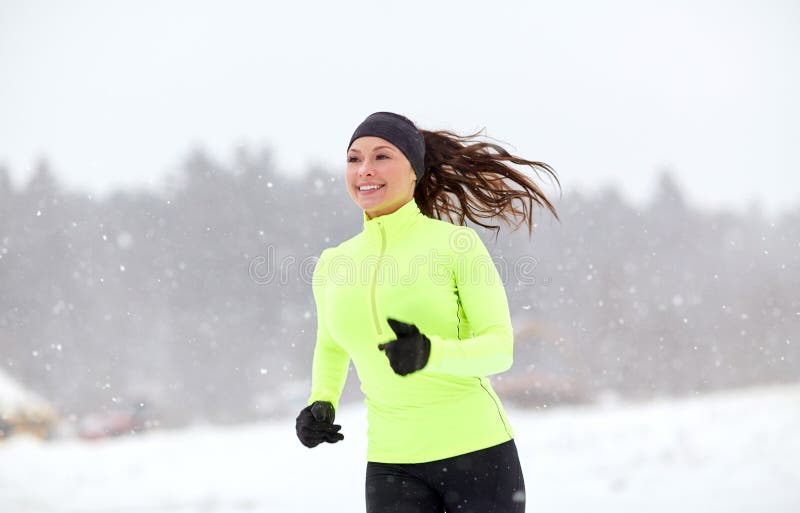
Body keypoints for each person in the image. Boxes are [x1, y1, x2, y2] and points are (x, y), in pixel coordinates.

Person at [295, 111, 560, 513]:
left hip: (477, 455)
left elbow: (499, 348)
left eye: (382, 156)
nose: (365, 169)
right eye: (354, 159)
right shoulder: (334, 263)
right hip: (391, 464)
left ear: (414, 171)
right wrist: (321, 402)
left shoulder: (456, 245)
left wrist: (430, 353)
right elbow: (331, 346)